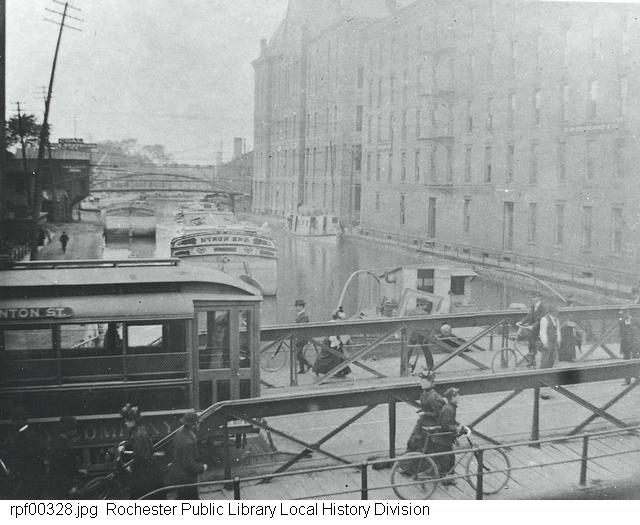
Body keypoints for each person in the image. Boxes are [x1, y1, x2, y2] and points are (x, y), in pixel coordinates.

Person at [121, 405, 164, 499]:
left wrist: (131, 467)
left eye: (127, 421)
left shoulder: (138, 435)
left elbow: (141, 455)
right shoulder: (140, 430)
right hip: (148, 473)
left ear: (133, 421)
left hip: (144, 475)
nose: (125, 423)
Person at [430, 387, 469, 485]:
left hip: (444, 438)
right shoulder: (449, 409)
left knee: (450, 458)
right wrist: (457, 429)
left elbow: (450, 422)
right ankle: (445, 480)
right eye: (457, 395)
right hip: (442, 440)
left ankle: (448, 477)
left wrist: (457, 425)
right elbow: (446, 425)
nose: (459, 397)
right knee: (446, 460)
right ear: (452, 398)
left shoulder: (450, 407)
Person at [167, 411, 207, 500]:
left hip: (179, 475)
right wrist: (202, 467)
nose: (199, 425)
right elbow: (188, 464)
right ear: (193, 425)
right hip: (187, 478)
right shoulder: (189, 442)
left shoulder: (180, 433)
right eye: (198, 423)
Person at [406, 370, 444, 454]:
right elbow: (426, 407)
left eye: (424, 381)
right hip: (424, 421)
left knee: (417, 441)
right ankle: (408, 459)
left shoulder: (433, 396)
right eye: (421, 381)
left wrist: (424, 413)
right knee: (412, 441)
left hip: (432, 424)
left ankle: (413, 461)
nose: (421, 383)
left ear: (430, 382)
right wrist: (422, 410)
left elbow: (438, 413)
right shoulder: (424, 393)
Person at [44, 416, 80, 499]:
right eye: (73, 429)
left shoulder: (58, 442)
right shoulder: (62, 446)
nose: (75, 431)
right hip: (62, 484)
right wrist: (70, 486)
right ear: (68, 430)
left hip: (58, 482)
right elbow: (63, 469)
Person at [312, 310, 351, 377]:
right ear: (337, 318)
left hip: (331, 341)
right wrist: (337, 343)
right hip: (330, 342)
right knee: (331, 356)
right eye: (340, 319)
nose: (341, 321)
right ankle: (335, 370)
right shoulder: (333, 323)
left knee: (339, 355)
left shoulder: (336, 323)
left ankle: (340, 370)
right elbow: (332, 336)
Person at [519, 291, 548, 367]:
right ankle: (532, 361)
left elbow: (541, 319)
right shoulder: (533, 305)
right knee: (530, 342)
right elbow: (529, 316)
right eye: (532, 297)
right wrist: (521, 322)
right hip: (534, 328)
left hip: (541, 327)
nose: (533, 299)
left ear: (539, 298)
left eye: (535, 297)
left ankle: (544, 357)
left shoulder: (544, 307)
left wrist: (533, 326)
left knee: (537, 343)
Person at [619, 307, 640, 385]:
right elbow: (620, 333)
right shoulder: (621, 322)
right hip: (625, 345)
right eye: (623, 313)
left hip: (635, 345)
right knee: (626, 363)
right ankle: (627, 380)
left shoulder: (636, 320)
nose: (624, 315)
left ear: (629, 312)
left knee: (636, 361)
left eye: (625, 313)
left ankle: (638, 379)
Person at [293, 299, 312, 374]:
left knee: (298, 353)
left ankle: (309, 364)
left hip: (302, 338)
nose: (296, 308)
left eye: (297, 306)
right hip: (299, 337)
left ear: (301, 307)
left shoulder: (304, 316)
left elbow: (301, 327)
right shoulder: (300, 315)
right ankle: (302, 369)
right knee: (299, 353)